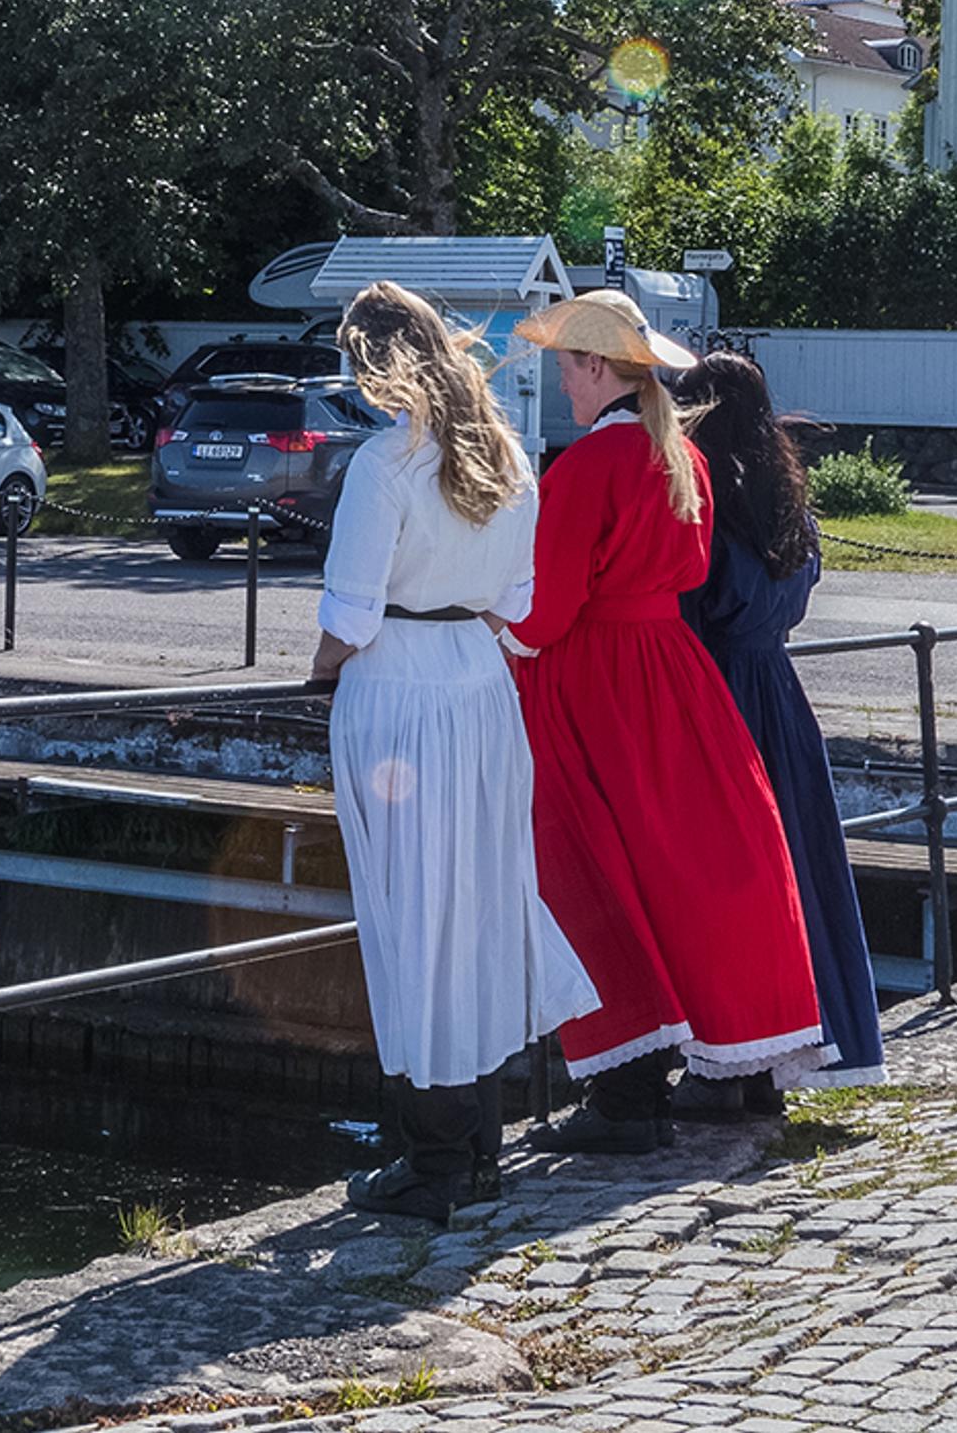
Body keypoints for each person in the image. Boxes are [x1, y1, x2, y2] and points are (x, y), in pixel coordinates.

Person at [506, 290, 827, 1152]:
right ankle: (738, 1061)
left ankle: (625, 1093)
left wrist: (488, 636)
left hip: (596, 687)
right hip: (673, 680)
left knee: (595, 872)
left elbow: (546, 612)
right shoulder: (676, 454)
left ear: (599, 368)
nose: (563, 382)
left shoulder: (585, 468)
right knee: (702, 867)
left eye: (569, 365)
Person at [310, 281, 597, 1224]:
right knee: (473, 907)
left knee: (411, 913)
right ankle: (475, 1145)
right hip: (479, 684)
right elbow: (517, 603)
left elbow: (350, 612)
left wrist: (317, 675)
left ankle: (431, 1160)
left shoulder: (385, 463)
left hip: (398, 685)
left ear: (372, 361)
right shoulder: (506, 453)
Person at [674, 352, 885, 1093]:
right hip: (780, 694)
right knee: (795, 870)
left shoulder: (704, 507)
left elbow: (688, 609)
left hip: (718, 694)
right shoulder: (788, 503)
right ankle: (790, 1052)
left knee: (721, 879)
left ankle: (724, 1061)